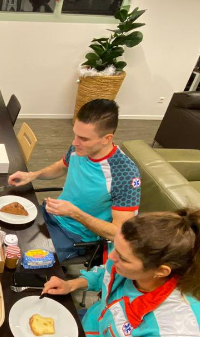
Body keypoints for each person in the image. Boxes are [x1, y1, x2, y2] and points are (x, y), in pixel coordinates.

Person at [23, 209, 200, 337]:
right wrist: (72, 284)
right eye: (114, 246)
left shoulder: (177, 330)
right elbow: (106, 272)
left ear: (161, 271)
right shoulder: (127, 264)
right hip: (86, 330)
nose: (112, 257)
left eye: (123, 258)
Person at [8, 99, 141, 262]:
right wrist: (33, 175)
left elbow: (118, 233)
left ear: (106, 138)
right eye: (75, 134)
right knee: (5, 233)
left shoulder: (125, 174)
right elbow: (61, 167)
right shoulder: (79, 148)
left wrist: (74, 213)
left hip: (76, 236)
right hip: (51, 215)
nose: (74, 142)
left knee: (19, 260)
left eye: (84, 138)